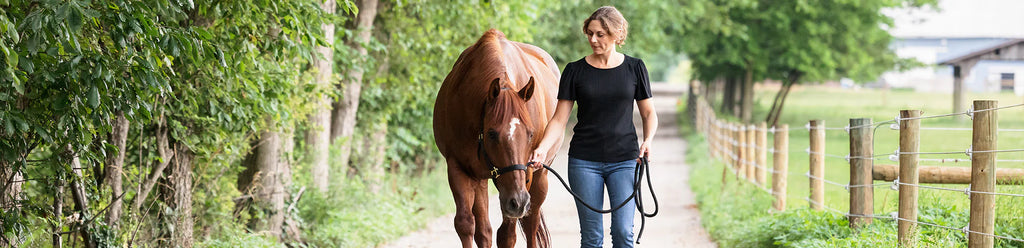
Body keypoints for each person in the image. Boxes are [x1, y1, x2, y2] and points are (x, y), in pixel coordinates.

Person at [529, 6, 658, 248]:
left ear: (617, 34)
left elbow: (649, 113)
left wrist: (648, 140)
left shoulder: (635, 68)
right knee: (591, 237)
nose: (593, 40)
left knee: (623, 233)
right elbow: (559, 119)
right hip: (584, 162)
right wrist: (542, 149)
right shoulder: (574, 71)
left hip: (625, 160)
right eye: (590, 34)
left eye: (600, 34)